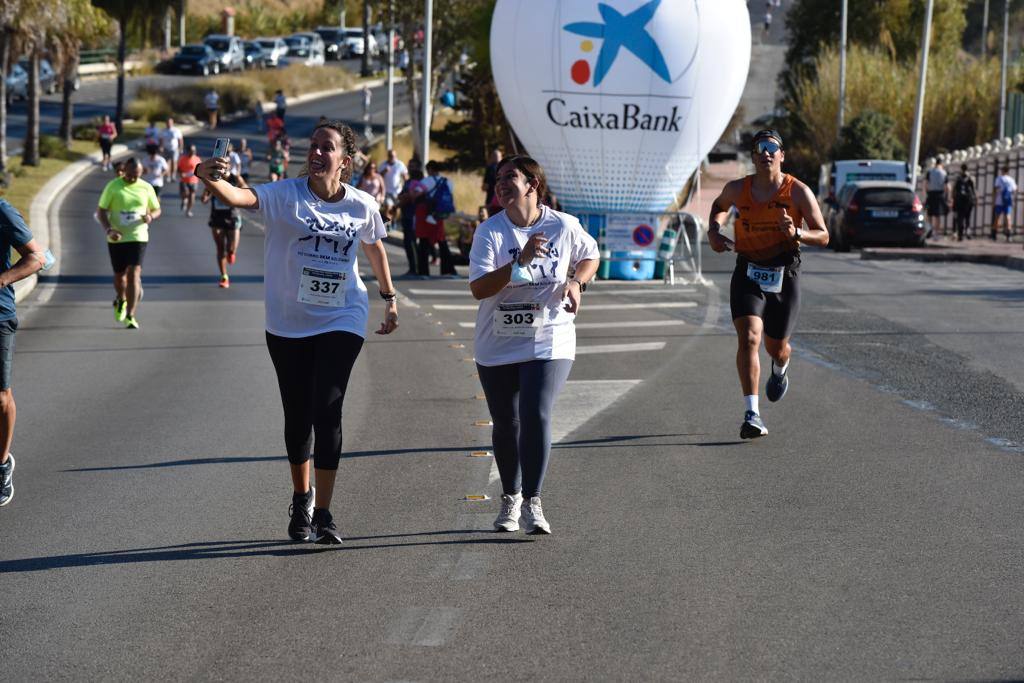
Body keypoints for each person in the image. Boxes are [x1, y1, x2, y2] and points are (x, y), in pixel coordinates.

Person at [194, 119, 399, 545]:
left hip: (342, 314)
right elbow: (239, 195)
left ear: (345, 161)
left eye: (327, 148)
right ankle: (301, 495)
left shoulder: (361, 205)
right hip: (287, 321)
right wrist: (207, 176)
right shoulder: (283, 194)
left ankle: (324, 512)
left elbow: (374, 244)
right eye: (314, 146)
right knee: (298, 416)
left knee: (329, 408)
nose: (317, 153)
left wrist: (388, 296)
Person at [469, 154, 599, 535]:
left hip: (550, 335)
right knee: (506, 423)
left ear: (532, 185)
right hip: (498, 339)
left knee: (535, 413)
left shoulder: (563, 225)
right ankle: (510, 498)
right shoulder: (489, 232)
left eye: (511, 176)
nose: (502, 183)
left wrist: (576, 283)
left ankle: (533, 502)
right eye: (498, 178)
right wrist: (517, 264)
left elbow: (590, 255)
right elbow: (479, 289)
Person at [707, 130, 828, 439]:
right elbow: (718, 206)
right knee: (749, 337)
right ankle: (752, 413)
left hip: (784, 271)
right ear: (753, 156)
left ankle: (781, 365)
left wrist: (797, 235)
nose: (766, 153)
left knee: (777, 346)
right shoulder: (738, 189)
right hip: (748, 269)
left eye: (772, 148)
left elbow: (823, 235)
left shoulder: (798, 192)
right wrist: (714, 231)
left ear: (781, 155)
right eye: (760, 148)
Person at [0, 200, 50, 507]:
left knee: (0, 395)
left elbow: (36, 258)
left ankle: (2, 463)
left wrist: (2, 280)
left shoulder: (3, 212)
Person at [96, 158, 162, 330]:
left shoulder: (146, 187)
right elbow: (101, 211)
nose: (134, 178)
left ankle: (131, 315)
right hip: (116, 237)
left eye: (137, 175)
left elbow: (157, 208)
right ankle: (121, 299)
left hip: (138, 236)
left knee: (134, 273)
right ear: (124, 170)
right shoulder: (113, 186)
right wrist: (109, 230)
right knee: (120, 276)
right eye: (131, 174)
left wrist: (151, 216)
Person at [413, 160, 457, 277]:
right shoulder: (448, 181)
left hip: (427, 215)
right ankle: (448, 270)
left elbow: (416, 193)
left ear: (430, 169)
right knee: (442, 242)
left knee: (424, 242)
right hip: (439, 216)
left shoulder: (427, 181)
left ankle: (423, 272)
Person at [201, 176, 242, 288]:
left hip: (232, 216)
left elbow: (246, 190)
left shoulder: (235, 178)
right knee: (220, 248)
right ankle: (224, 276)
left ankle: (231, 253)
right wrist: (207, 192)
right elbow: (203, 199)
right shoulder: (213, 179)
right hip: (217, 217)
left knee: (231, 248)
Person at [396, 161, 424, 276]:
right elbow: (401, 195)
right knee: (408, 242)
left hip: (415, 216)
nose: (411, 168)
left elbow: (409, 197)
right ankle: (413, 267)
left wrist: (404, 198)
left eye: (413, 166)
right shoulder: (408, 182)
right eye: (410, 166)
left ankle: (417, 268)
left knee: (413, 242)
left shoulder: (420, 182)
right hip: (406, 215)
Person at [379, 148, 408, 222]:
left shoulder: (400, 164)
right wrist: (384, 171)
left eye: (394, 156)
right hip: (387, 191)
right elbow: (378, 176)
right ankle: (387, 223)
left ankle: (393, 221)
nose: (392, 157)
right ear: (388, 156)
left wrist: (406, 185)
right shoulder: (383, 164)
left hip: (397, 191)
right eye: (391, 156)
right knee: (388, 207)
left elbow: (405, 176)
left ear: (396, 156)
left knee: (395, 208)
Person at [992, 166, 1017, 241]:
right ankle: (1009, 234)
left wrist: (993, 200)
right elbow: (1014, 189)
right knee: (1008, 217)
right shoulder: (1011, 180)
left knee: (997, 217)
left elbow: (996, 189)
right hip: (1008, 201)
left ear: (1002, 171)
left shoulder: (999, 179)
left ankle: (994, 234)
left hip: (999, 201)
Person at [952, 163, 976, 242]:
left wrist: (952, 198)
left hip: (959, 200)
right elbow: (974, 189)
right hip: (969, 200)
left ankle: (960, 234)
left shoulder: (958, 178)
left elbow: (954, 189)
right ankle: (967, 231)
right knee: (968, 217)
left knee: (960, 217)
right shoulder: (971, 178)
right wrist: (975, 198)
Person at [924, 160, 948, 237]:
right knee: (938, 215)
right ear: (941, 164)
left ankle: (929, 230)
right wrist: (947, 196)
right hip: (939, 195)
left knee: (929, 214)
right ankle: (936, 233)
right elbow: (946, 186)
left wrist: (926, 195)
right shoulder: (944, 173)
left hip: (930, 195)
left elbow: (926, 184)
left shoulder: (929, 172)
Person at [177, 144, 202, 217]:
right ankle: (184, 200)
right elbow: (178, 168)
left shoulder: (197, 159)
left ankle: (188, 210)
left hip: (194, 181)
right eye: (191, 151)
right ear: (188, 151)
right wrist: (181, 174)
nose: (193, 152)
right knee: (185, 194)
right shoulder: (183, 158)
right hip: (184, 180)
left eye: (194, 150)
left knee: (192, 196)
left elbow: (200, 169)